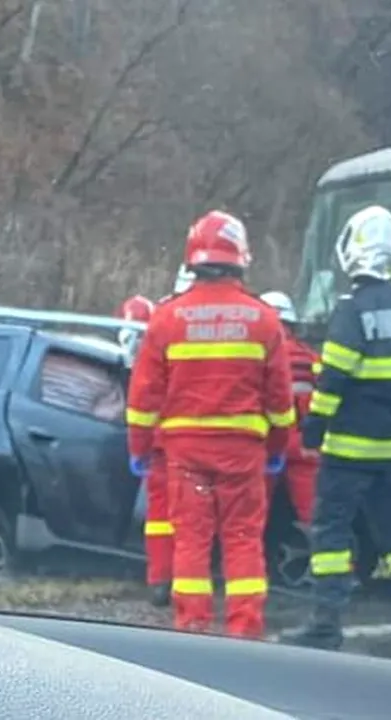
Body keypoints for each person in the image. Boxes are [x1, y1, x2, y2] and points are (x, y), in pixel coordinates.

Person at [280, 205, 391, 651]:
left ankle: (325, 623)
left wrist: (315, 423)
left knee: (331, 533)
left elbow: (334, 375)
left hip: (348, 451)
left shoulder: (352, 310)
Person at [126, 210, 295, 638]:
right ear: (240, 257)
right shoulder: (263, 319)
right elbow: (280, 401)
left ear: (192, 259)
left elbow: (142, 399)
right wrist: (277, 449)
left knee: (191, 542)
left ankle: (192, 628)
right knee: (242, 539)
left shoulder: (166, 319)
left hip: (185, 453)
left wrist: (139, 449)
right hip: (243, 453)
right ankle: (245, 630)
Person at [115, 294, 173, 606]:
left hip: (161, 448)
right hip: (179, 446)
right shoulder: (172, 349)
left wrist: (139, 449)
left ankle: (161, 582)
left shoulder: (150, 357)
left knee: (161, 517)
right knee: (193, 522)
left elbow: (140, 407)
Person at [259, 290, 318, 527]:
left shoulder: (256, 353)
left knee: (248, 519)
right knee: (317, 519)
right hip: (304, 443)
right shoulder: (310, 356)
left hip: (266, 441)